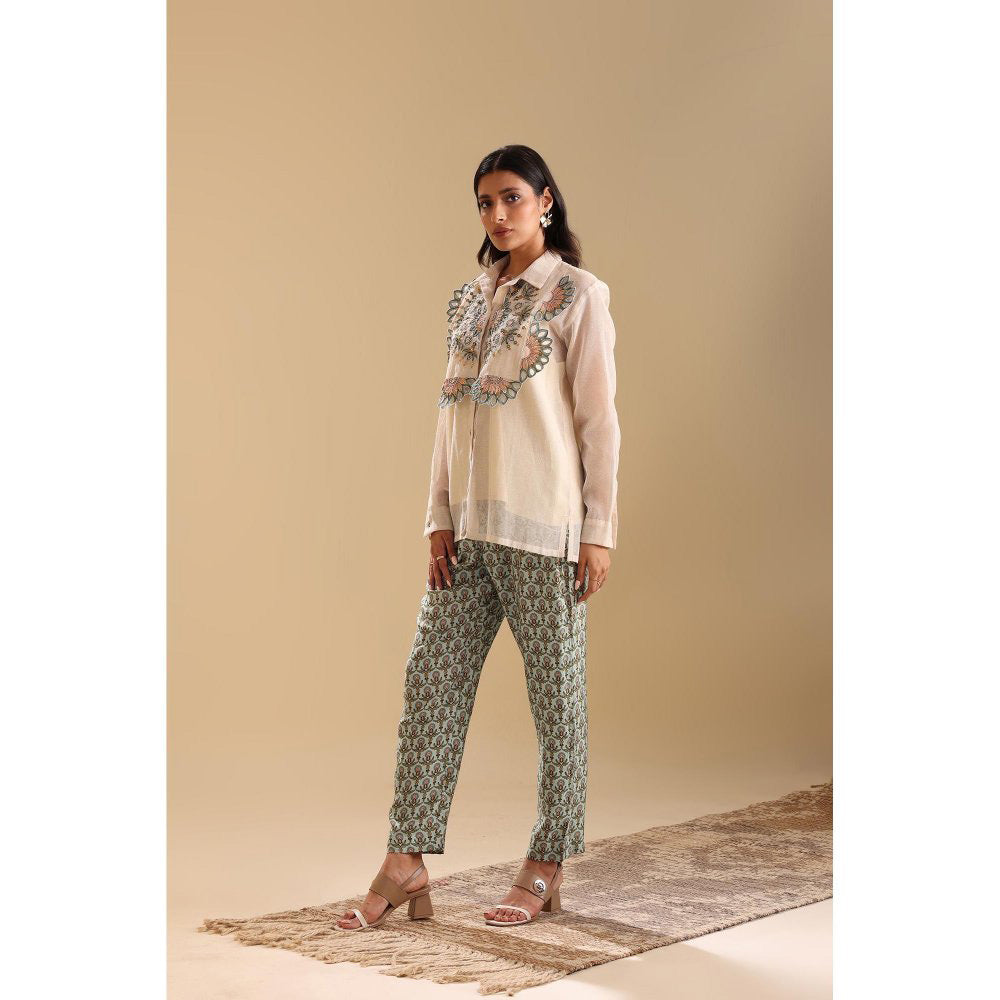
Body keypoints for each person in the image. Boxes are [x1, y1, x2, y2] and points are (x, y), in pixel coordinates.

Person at [337, 144, 621, 930]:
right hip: (467, 534)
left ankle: (547, 863)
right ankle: (406, 860)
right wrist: (437, 519)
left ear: (545, 202)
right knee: (430, 684)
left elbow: (599, 420)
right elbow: (448, 417)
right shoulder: (470, 300)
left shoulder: (577, 295)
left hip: (544, 529)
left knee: (557, 700)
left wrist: (599, 530)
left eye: (511, 198)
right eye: (485, 203)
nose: (497, 215)